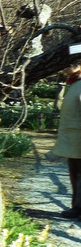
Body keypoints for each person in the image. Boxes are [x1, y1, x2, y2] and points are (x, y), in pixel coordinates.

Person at [51, 61, 81, 219]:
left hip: (78, 139)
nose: (64, 68)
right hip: (74, 140)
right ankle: (77, 208)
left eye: (68, 64)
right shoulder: (76, 84)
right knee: (75, 174)